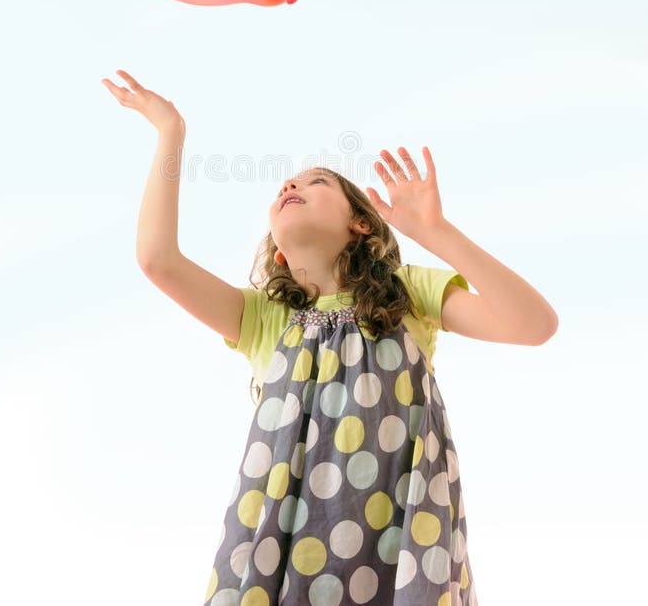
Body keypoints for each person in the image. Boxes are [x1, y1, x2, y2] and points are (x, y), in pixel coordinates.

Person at [102, 68, 559, 605]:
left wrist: (437, 233)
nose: (291, 185)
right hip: (290, 562)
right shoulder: (263, 319)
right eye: (284, 186)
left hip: (398, 554)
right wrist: (170, 131)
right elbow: (157, 259)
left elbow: (533, 325)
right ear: (278, 253)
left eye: (316, 182)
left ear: (361, 225)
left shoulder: (408, 296)